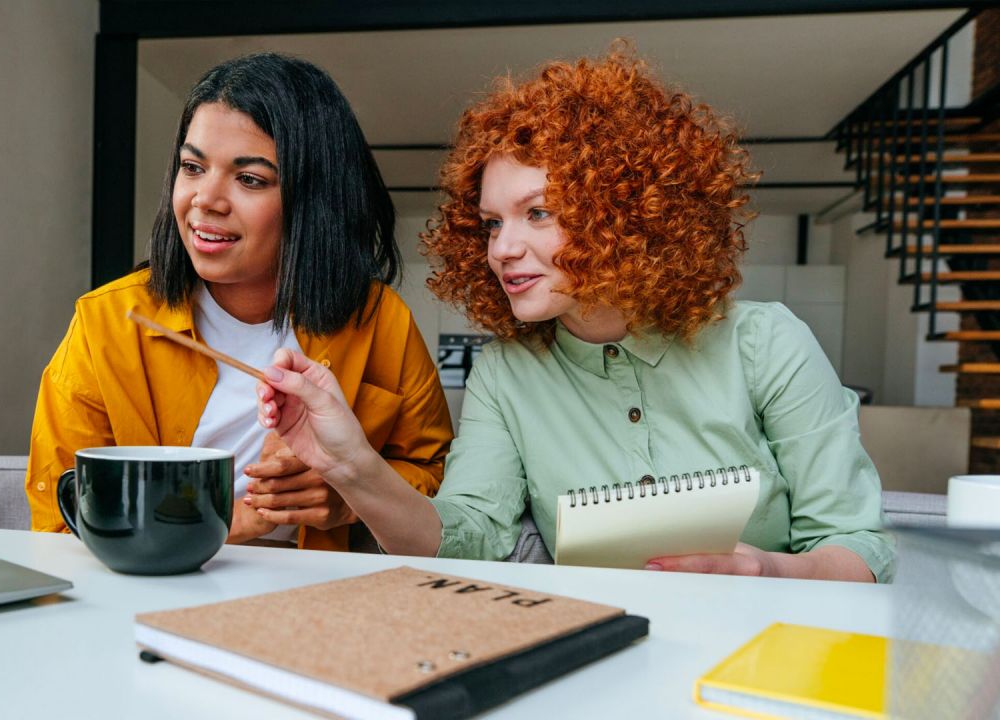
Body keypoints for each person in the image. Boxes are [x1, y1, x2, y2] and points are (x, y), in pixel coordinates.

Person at [253, 47, 894, 581]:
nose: (503, 247)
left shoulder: (766, 343)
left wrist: (767, 572)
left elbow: (861, 548)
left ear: (628, 211)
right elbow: (463, 540)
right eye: (491, 222)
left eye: (539, 212)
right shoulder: (506, 372)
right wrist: (351, 465)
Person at [26, 53, 453, 551]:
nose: (206, 199)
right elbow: (60, 518)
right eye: (192, 167)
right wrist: (221, 522)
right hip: (149, 597)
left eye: (249, 179)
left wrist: (350, 496)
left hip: (321, 607)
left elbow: (436, 480)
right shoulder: (106, 324)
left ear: (313, 199)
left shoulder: (379, 322)